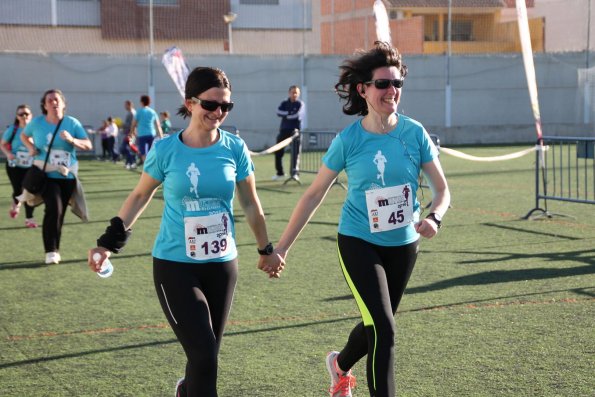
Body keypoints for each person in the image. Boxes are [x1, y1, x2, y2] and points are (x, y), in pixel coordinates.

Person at [259, 41, 450, 397]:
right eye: (382, 84)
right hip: (359, 242)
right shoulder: (349, 141)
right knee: (385, 330)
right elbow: (314, 194)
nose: (391, 91)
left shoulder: (414, 133)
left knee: (377, 325)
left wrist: (435, 217)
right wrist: (282, 247)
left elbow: (442, 190)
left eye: (397, 84)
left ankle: (339, 365)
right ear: (362, 89)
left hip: (405, 245)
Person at [87, 66, 282, 397]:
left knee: (205, 359)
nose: (218, 112)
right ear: (190, 103)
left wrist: (267, 250)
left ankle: (187, 391)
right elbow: (140, 195)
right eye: (210, 105)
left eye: (226, 106)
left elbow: (250, 203)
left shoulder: (234, 148)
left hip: (222, 266)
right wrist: (109, 243)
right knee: (204, 355)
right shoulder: (166, 150)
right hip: (175, 266)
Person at [21, 89, 93, 264]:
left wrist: (72, 140)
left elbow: (88, 145)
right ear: (44, 105)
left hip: (67, 176)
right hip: (45, 175)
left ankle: (55, 248)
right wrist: (31, 148)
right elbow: (24, 135)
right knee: (54, 207)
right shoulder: (37, 123)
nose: (53, 103)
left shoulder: (72, 123)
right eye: (50, 100)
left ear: (63, 103)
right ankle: (51, 251)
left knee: (59, 214)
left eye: (56, 100)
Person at [1, 104, 38, 228]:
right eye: (21, 114)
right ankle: (16, 205)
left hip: (31, 165)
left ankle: (29, 218)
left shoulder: (36, 129)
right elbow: (3, 144)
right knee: (18, 190)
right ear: (17, 116)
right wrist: (8, 154)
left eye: (26, 114)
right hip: (14, 165)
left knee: (29, 191)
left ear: (31, 115)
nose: (24, 116)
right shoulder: (13, 129)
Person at [273, 85, 305, 181]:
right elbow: (278, 112)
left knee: (295, 153)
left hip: (295, 133)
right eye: (292, 92)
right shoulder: (284, 102)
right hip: (283, 131)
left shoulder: (300, 104)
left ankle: (294, 174)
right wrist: (288, 113)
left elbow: (297, 115)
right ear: (289, 93)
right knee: (278, 151)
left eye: (296, 93)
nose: (294, 94)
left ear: (298, 94)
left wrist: (286, 114)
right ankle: (280, 173)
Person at [130, 94, 163, 164]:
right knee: (151, 152)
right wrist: (161, 136)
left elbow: (133, 124)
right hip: (151, 133)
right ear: (149, 102)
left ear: (141, 102)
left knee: (143, 152)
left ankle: (146, 168)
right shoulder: (152, 112)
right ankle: (151, 167)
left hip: (142, 134)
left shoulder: (139, 111)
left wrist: (131, 133)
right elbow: (158, 125)